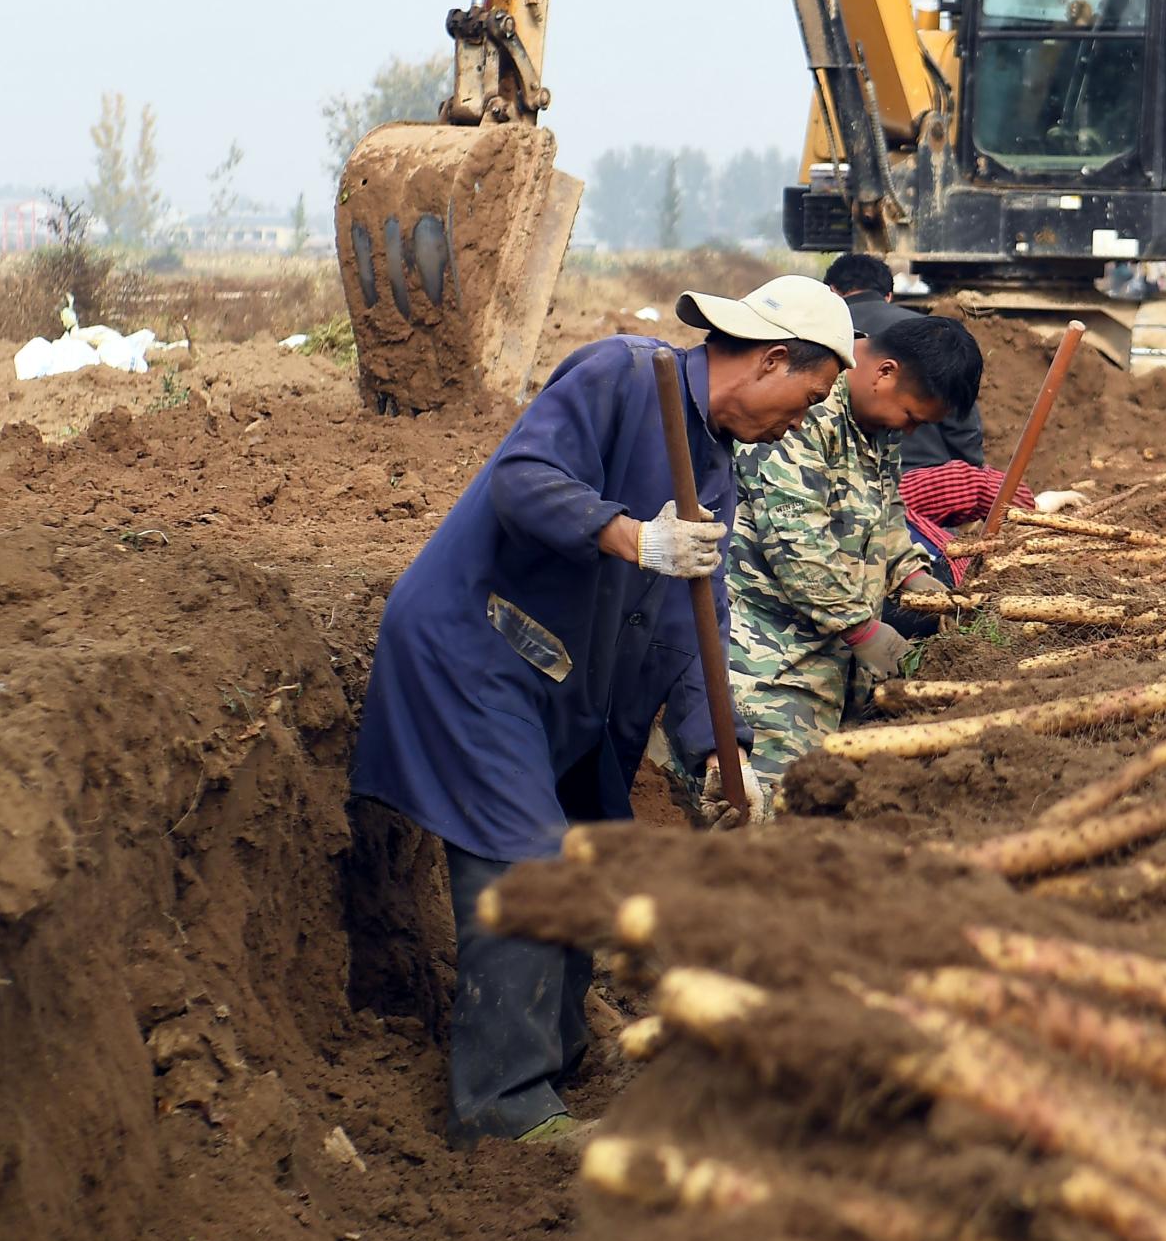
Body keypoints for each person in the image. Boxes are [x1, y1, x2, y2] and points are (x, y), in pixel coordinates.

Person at [351, 275, 852, 1147]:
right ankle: (501, 1110)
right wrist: (631, 535)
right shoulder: (621, 375)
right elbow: (523, 480)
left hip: (566, 680)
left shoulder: (717, 469)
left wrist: (712, 752)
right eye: (805, 399)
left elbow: (702, 619)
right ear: (773, 360)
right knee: (530, 860)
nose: (801, 422)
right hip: (479, 648)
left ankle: (557, 1055)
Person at [723, 310, 984, 814]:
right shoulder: (807, 408)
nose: (908, 433)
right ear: (884, 373)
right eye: (911, 417)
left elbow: (885, 512)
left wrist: (913, 574)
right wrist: (864, 630)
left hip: (833, 658)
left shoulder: (875, 421)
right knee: (766, 812)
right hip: (770, 661)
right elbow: (796, 541)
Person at [822, 253, 987, 472]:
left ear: (832, 290)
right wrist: (971, 472)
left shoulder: (818, 335)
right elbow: (961, 425)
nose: (908, 430)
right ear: (888, 295)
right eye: (910, 416)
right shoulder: (932, 336)